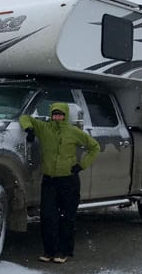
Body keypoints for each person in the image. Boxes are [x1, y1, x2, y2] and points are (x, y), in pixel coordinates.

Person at [19, 102, 100, 264]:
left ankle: (64, 251)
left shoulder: (73, 131)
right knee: (48, 216)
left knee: (67, 217)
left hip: (68, 180)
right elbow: (24, 117)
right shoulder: (44, 128)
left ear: (65, 115)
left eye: (60, 114)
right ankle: (49, 251)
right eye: (55, 114)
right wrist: (29, 129)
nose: (57, 117)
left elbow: (94, 147)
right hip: (49, 181)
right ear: (51, 115)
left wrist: (81, 165)